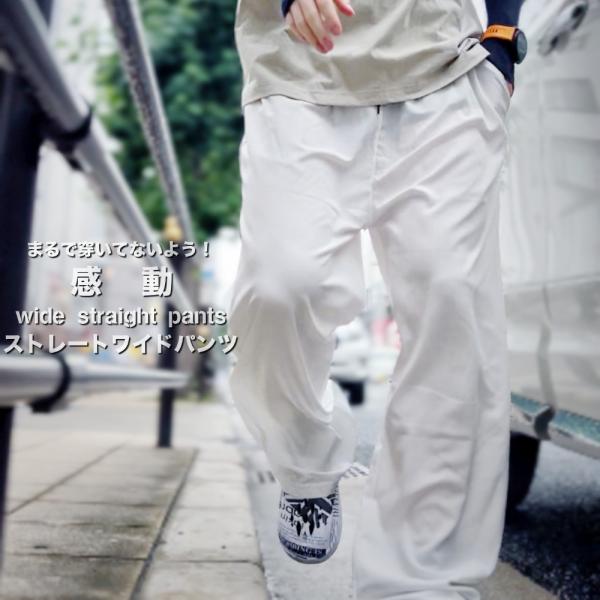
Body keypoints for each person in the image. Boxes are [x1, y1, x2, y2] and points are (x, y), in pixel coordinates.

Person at [228, 0, 526, 597]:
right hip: (299, 68)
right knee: (281, 287)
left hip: (447, 65)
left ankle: (420, 577)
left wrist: (501, 38)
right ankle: (305, 460)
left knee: (452, 306)